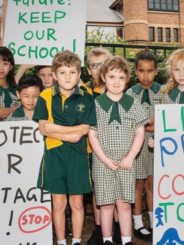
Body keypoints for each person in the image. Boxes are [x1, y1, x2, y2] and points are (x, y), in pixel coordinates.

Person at [34, 50, 96, 245]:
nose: (67, 77)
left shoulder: (87, 95)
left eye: (72, 72)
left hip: (78, 154)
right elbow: (44, 129)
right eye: (62, 72)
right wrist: (68, 135)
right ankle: (61, 241)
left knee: (77, 202)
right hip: (54, 153)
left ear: (79, 75)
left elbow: (85, 128)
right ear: (54, 75)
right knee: (58, 203)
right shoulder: (45, 95)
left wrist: (57, 129)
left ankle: (76, 240)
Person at [88, 56, 149, 245]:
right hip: (103, 162)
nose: (116, 82)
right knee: (106, 204)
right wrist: (105, 160)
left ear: (127, 80)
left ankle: (126, 240)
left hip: (126, 162)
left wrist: (131, 157)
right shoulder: (96, 104)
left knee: (124, 205)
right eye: (112, 76)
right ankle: (106, 240)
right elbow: (92, 135)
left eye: (121, 78)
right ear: (103, 77)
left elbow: (140, 132)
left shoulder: (133, 103)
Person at [126, 49, 161, 241]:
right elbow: (131, 123)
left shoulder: (164, 91)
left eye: (149, 71)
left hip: (158, 144)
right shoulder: (130, 93)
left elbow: (167, 120)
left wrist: (147, 123)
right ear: (135, 71)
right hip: (137, 147)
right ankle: (138, 224)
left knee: (152, 183)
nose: (145, 75)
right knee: (137, 184)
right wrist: (151, 122)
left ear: (156, 71)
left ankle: (155, 223)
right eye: (141, 71)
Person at [84, 47, 114, 245]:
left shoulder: (118, 88)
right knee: (98, 191)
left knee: (118, 191)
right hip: (92, 149)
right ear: (88, 70)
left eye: (103, 64)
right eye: (94, 65)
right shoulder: (85, 92)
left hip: (116, 147)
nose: (99, 69)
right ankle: (98, 229)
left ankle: (118, 228)